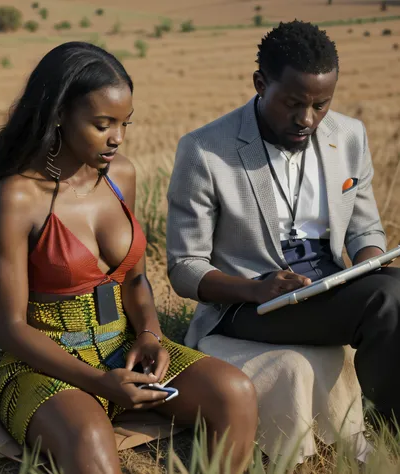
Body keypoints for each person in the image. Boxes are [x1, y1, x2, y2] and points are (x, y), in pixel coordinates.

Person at [0, 42, 257, 474]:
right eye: (102, 124)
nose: (117, 137)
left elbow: (135, 280)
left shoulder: (122, 175)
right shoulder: (16, 196)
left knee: (235, 392)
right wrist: (100, 384)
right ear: (59, 114)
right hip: (46, 366)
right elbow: (10, 328)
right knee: (91, 438)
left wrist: (150, 335)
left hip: (123, 349)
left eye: (124, 123)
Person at [166, 20, 400, 426]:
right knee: (386, 300)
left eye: (320, 104)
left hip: (331, 286)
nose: (307, 119)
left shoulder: (349, 135)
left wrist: (368, 263)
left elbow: (365, 230)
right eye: (292, 103)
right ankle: (387, 429)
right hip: (250, 303)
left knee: (389, 285)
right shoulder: (205, 150)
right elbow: (185, 267)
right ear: (260, 83)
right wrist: (255, 289)